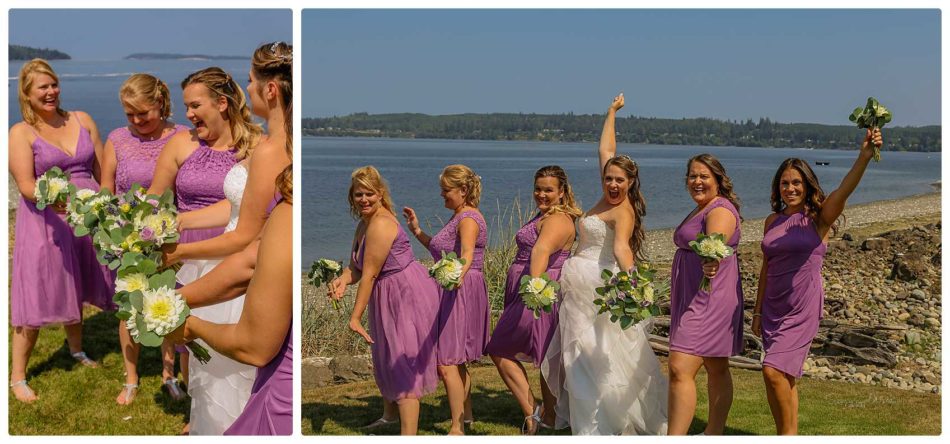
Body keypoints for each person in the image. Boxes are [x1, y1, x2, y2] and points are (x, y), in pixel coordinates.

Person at [541, 93, 668, 435]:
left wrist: (634, 283)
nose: (612, 184)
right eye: (608, 178)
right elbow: (605, 151)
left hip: (598, 287)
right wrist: (611, 112)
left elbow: (624, 249)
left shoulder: (623, 210)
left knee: (595, 357)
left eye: (619, 181)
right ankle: (586, 425)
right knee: (578, 357)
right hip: (578, 284)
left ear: (630, 183)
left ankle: (597, 428)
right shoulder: (605, 194)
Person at [147, 65, 263, 435]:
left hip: (236, 253)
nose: (188, 115)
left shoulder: (259, 146)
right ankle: (203, 417)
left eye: (195, 105)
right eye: (186, 106)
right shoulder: (181, 143)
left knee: (234, 346)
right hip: (188, 250)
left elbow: (246, 211)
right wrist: (158, 227)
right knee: (194, 342)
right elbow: (155, 197)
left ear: (223, 104)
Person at [753, 128, 882, 435]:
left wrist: (864, 156)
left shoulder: (819, 217)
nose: (790, 188)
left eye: (796, 182)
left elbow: (844, 190)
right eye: (784, 183)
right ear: (778, 187)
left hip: (801, 307)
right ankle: (789, 434)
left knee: (772, 371)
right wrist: (757, 311)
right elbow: (766, 267)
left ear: (806, 184)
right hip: (773, 306)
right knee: (783, 378)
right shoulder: (772, 221)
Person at [8, 59, 114, 403]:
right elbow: (25, 183)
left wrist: (106, 205)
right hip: (46, 221)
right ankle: (18, 375)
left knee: (78, 283)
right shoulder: (20, 132)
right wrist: (54, 201)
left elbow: (103, 173)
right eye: (43, 87)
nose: (51, 91)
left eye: (54, 84)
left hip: (88, 218)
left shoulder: (82, 119)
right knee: (38, 293)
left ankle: (76, 349)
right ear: (27, 92)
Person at [169, 154, 293, 435]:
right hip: (230, 272)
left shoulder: (288, 204)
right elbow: (249, 262)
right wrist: (170, 303)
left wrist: (192, 326)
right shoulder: (270, 161)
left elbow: (255, 347)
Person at [100, 73, 190, 405]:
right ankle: (131, 378)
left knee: (168, 304)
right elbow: (107, 189)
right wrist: (109, 227)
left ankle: (169, 375)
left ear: (160, 103)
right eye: (130, 114)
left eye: (144, 113)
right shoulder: (117, 139)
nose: (137, 121)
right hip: (128, 241)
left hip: (171, 237)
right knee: (130, 308)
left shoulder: (182, 136)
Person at [330, 166, 441, 435]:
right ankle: (389, 416)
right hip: (385, 292)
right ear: (351, 197)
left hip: (404, 293)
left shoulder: (380, 223)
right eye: (359, 194)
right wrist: (343, 279)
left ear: (380, 194)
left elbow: (369, 275)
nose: (364, 199)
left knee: (402, 360)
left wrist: (355, 317)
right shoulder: (363, 224)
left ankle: (408, 433)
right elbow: (358, 268)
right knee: (385, 355)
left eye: (369, 194)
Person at [484, 165, 580, 434]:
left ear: (562, 192)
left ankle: (534, 412)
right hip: (527, 287)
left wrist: (535, 291)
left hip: (539, 291)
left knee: (499, 348)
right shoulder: (545, 215)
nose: (541, 194)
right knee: (547, 354)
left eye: (549, 190)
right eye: (538, 188)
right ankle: (547, 416)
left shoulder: (557, 220)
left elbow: (541, 251)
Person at [402, 164, 489, 435]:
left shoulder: (468, 219)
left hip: (461, 289)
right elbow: (442, 251)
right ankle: (467, 416)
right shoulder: (459, 215)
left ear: (463, 190)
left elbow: (465, 255)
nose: (442, 196)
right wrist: (417, 231)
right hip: (455, 286)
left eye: (446, 190)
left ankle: (456, 427)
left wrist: (454, 280)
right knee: (457, 359)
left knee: (447, 362)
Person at [667, 154, 744, 435]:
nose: (697, 181)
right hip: (694, 295)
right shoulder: (702, 207)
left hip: (708, 297)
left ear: (717, 180)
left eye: (703, 176)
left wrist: (711, 261)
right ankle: (714, 433)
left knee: (679, 367)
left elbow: (715, 246)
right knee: (716, 365)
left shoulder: (720, 210)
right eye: (692, 176)